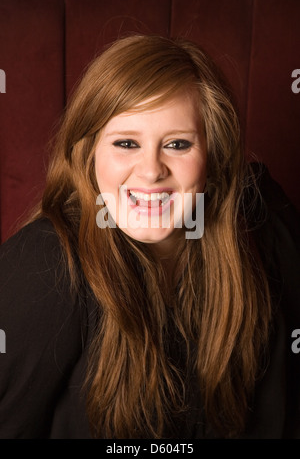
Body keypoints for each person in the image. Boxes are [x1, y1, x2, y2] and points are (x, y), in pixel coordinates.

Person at [0, 34, 299, 440]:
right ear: (89, 155)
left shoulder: (260, 235)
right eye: (126, 143)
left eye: (177, 144)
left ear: (213, 158)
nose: (151, 170)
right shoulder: (45, 265)